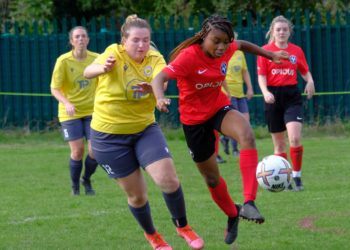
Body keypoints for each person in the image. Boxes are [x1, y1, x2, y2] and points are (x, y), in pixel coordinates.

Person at [151, 15, 289, 245]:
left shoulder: (226, 48)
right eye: (216, 41)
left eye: (226, 41)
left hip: (218, 108)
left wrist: (271, 55)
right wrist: (159, 98)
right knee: (212, 178)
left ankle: (249, 203)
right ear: (204, 36)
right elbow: (160, 77)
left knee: (246, 134)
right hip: (194, 122)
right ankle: (233, 214)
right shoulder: (188, 57)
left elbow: (242, 44)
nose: (222, 47)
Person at [83, 15, 204, 250]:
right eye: (136, 40)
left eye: (146, 40)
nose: (141, 45)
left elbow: (162, 79)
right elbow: (88, 71)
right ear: (124, 41)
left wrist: (157, 93)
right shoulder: (113, 53)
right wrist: (102, 67)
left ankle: (183, 227)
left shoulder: (154, 57)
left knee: (167, 179)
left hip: (144, 130)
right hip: (108, 139)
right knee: (137, 196)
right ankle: (154, 237)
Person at [257, 15, 315, 191]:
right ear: (273, 32)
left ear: (289, 32)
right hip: (273, 96)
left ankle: (297, 177)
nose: (282, 32)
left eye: (285, 29)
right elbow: (261, 76)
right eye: (278, 29)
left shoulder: (296, 51)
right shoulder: (265, 50)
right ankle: (284, 179)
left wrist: (310, 81)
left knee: (295, 137)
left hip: (291, 96)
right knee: (279, 144)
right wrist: (265, 92)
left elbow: (305, 71)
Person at [50, 26, 99, 196]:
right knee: (78, 151)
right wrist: (67, 102)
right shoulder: (63, 61)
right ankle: (75, 187)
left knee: (96, 151)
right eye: (77, 37)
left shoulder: (97, 59)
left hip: (93, 112)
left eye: (83, 36)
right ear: (71, 41)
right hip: (69, 112)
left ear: (88, 40)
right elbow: (54, 89)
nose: (80, 39)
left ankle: (86, 179)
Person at [220, 47, 254, 157]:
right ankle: (235, 150)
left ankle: (225, 138)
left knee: (246, 122)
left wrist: (249, 88)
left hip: (240, 93)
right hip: (228, 93)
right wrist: (225, 92)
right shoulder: (221, 53)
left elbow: (245, 71)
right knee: (236, 123)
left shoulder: (240, 53)